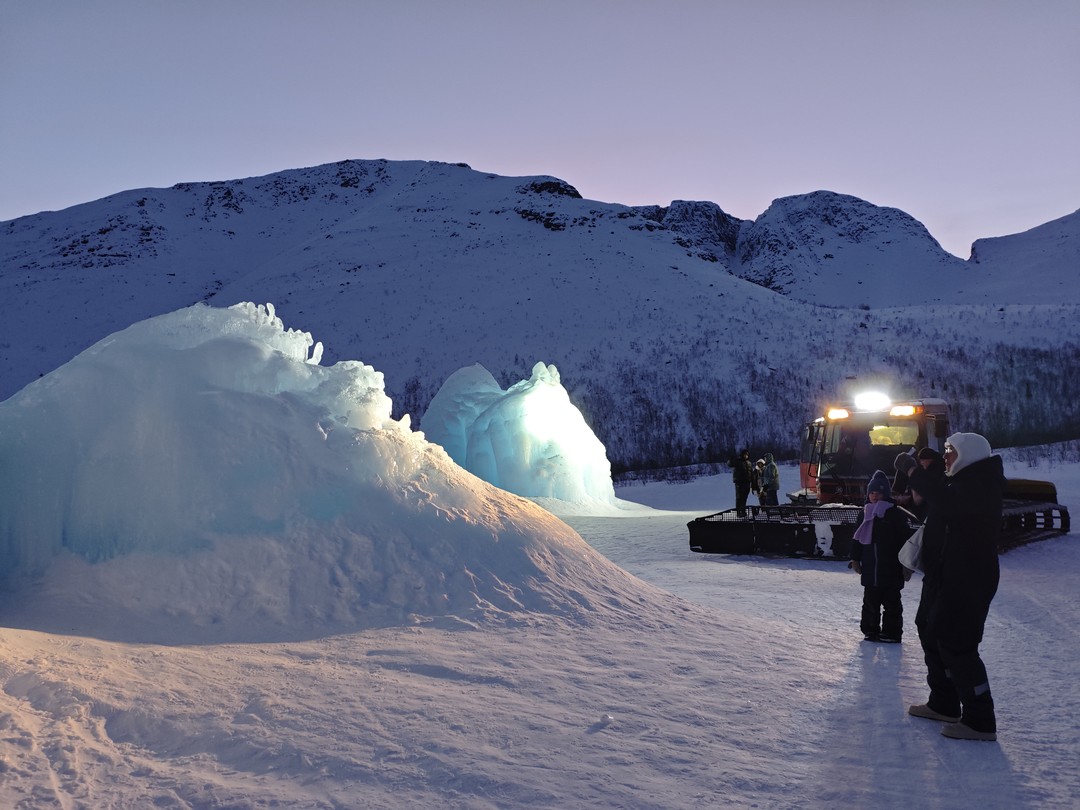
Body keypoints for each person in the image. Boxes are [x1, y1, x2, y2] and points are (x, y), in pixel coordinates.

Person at [900, 432, 1004, 742]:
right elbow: (936, 512)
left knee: (958, 643)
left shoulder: (981, 484)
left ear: (968, 454)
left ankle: (980, 720)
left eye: (951, 451)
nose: (945, 456)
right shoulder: (958, 483)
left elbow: (948, 503)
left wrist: (914, 471)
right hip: (943, 575)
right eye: (945, 450)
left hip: (968, 578)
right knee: (930, 631)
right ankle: (944, 702)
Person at [848, 470, 911, 642]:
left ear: (886, 494)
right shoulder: (864, 513)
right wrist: (855, 558)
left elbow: (905, 541)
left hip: (891, 569)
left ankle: (891, 632)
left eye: (878, 492)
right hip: (870, 569)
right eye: (872, 493)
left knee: (892, 604)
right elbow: (857, 539)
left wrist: (906, 564)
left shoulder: (896, 514)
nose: (874, 496)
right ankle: (870, 630)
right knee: (870, 603)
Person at [729, 450, 753, 515]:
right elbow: (730, 464)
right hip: (739, 483)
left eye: (747, 455)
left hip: (747, 483)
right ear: (742, 455)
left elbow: (751, 472)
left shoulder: (749, 463)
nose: (746, 456)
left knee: (745, 498)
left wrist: (753, 481)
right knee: (739, 497)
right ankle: (738, 512)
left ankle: (743, 511)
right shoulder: (738, 461)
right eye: (745, 454)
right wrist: (731, 459)